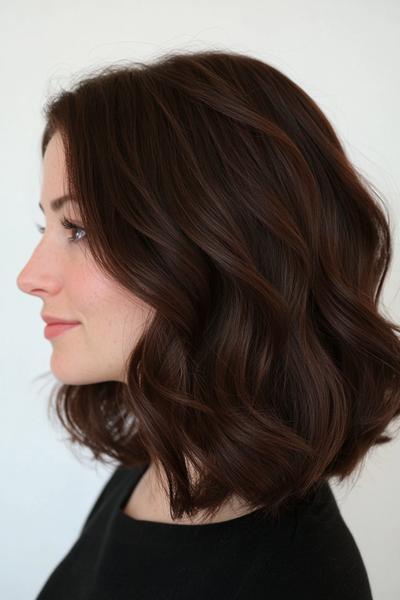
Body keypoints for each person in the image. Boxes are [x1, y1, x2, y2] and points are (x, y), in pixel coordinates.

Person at [17, 49, 400, 599]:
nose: (29, 276)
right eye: (47, 225)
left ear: (215, 250)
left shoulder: (292, 579)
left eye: (78, 228)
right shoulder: (158, 473)